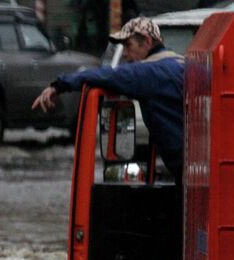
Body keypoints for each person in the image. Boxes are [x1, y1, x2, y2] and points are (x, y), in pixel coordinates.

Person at [32, 16, 184, 181]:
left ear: (146, 42)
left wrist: (59, 85)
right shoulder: (181, 64)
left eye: (128, 45)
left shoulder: (149, 73)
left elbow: (106, 75)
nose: (125, 54)